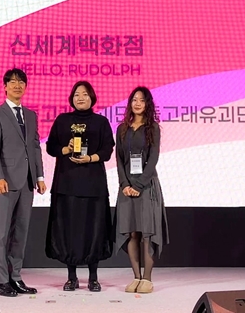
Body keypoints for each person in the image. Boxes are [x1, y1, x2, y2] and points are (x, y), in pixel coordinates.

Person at [45, 81, 115, 292]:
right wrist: (66, 150)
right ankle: (71, 277)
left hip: (93, 186)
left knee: (94, 231)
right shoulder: (62, 120)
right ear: (71, 98)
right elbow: (50, 147)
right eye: (76, 94)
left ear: (92, 97)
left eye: (84, 94)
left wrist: (90, 158)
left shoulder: (101, 122)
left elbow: (107, 150)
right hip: (66, 184)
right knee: (70, 231)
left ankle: (93, 277)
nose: (80, 98)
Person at [0, 68, 47, 297]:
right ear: (5, 87)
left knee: (20, 232)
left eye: (21, 82)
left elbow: (35, 147)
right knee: (0, 234)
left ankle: (16, 277)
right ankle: (1, 281)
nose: (17, 86)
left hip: (27, 182)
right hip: (4, 181)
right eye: (13, 82)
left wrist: (39, 176)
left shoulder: (30, 115)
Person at [115, 86, 169, 294]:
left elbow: (153, 158)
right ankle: (136, 277)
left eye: (142, 100)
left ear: (148, 104)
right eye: (134, 100)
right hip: (127, 188)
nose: (137, 103)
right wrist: (125, 185)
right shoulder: (122, 129)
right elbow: (119, 159)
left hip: (146, 187)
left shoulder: (152, 128)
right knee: (132, 233)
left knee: (147, 233)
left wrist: (138, 185)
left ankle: (147, 279)